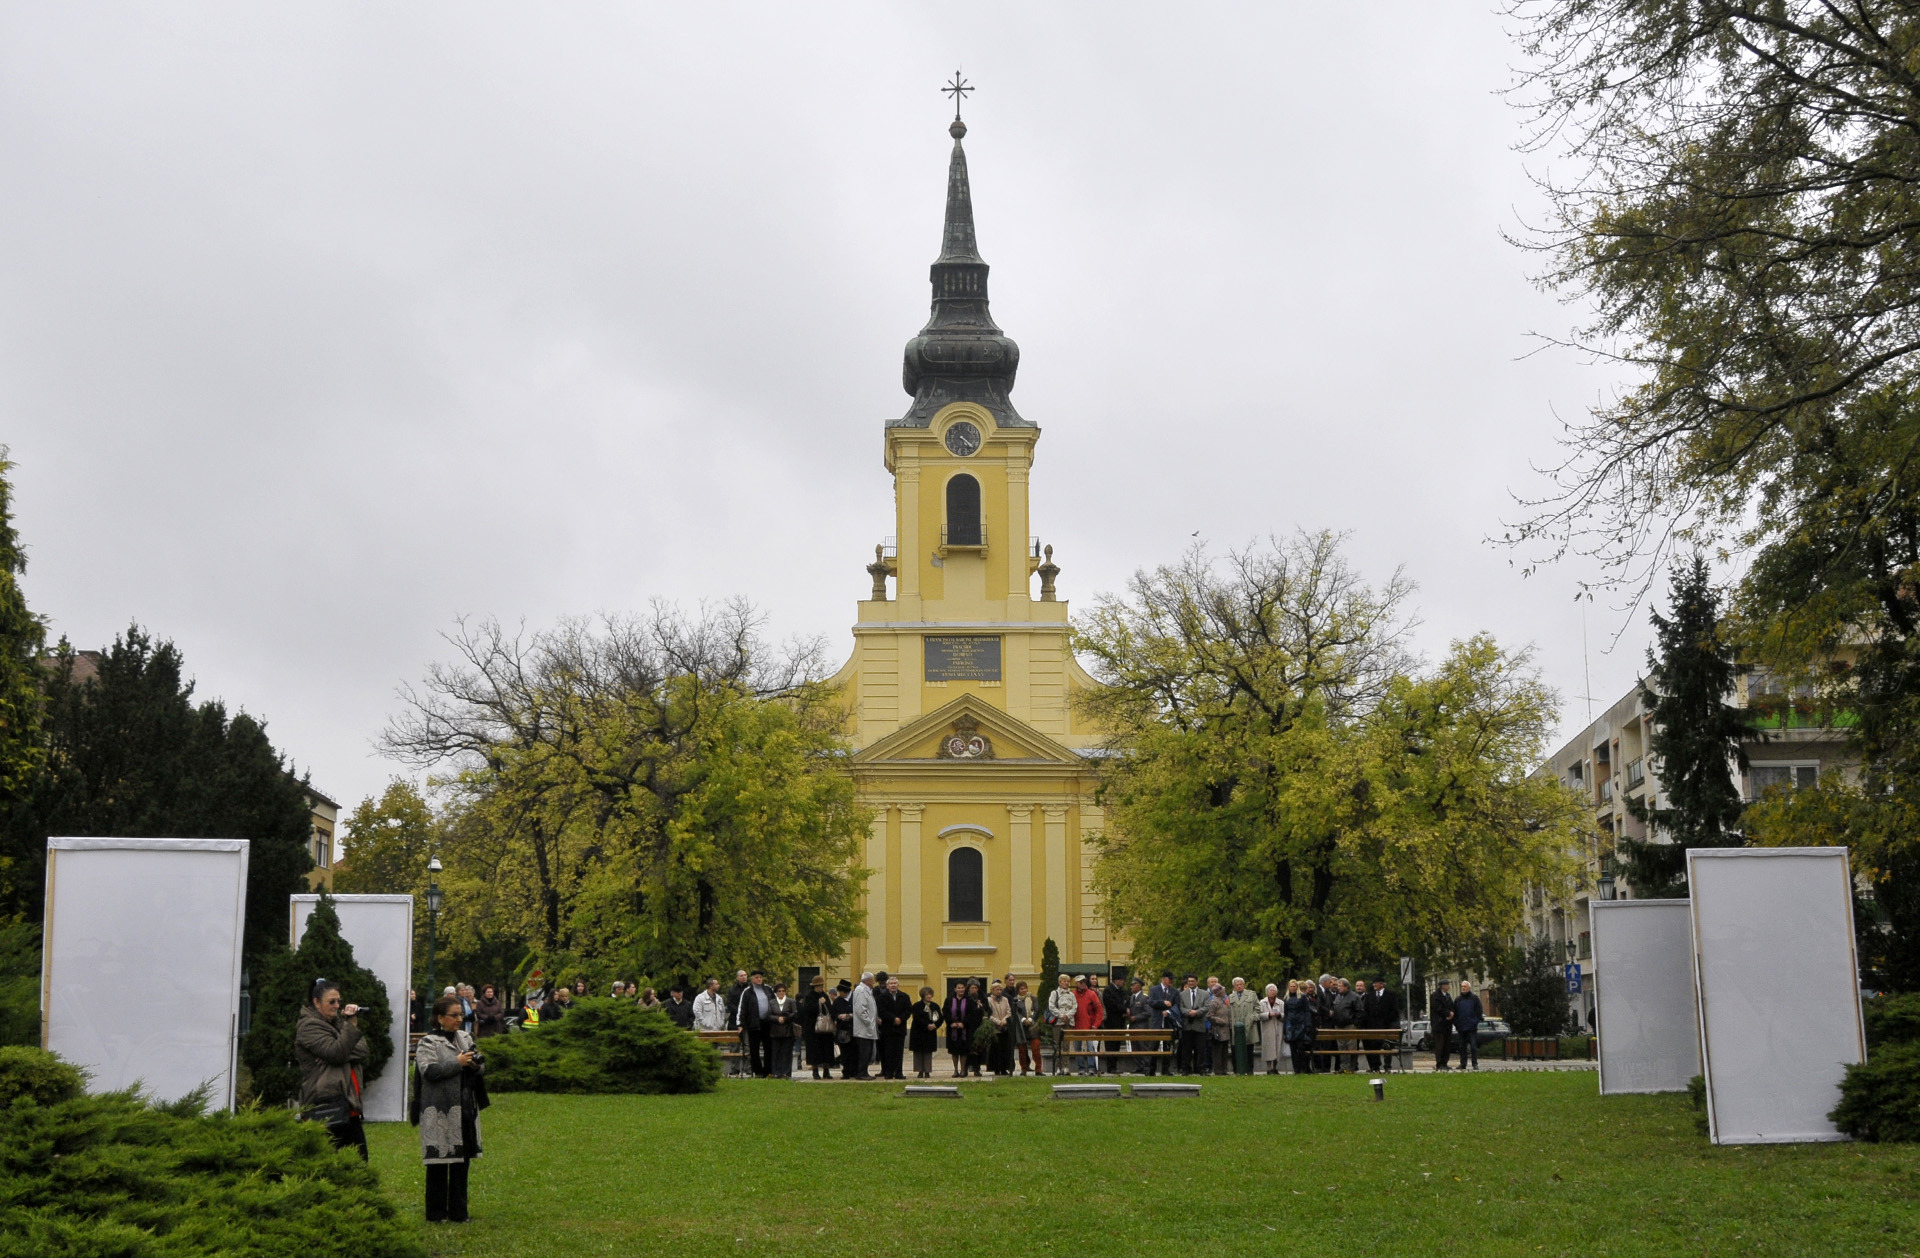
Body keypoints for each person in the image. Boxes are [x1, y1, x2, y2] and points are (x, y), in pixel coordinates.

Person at [415, 994, 486, 1224]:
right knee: (438, 1162)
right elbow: (429, 1071)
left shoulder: (465, 1037)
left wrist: (475, 1065)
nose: (459, 1019)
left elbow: (481, 1068)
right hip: (439, 1109)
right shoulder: (428, 1042)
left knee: (461, 1162)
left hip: (464, 1107)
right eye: (453, 1015)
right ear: (439, 1018)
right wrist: (458, 1062)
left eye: (460, 1015)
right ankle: (436, 1213)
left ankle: (459, 1212)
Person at [296, 978, 369, 1160]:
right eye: (331, 1002)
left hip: (348, 1105)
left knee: (358, 1163)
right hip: (326, 1106)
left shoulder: (336, 1024)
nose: (337, 1006)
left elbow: (362, 1051)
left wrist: (341, 1046)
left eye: (338, 1001)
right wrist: (349, 1030)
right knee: (329, 1164)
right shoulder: (308, 1026)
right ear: (316, 1002)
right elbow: (336, 1053)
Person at [877, 976, 912, 1080]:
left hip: (900, 1029)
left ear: (898, 985)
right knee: (888, 1052)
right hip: (888, 1028)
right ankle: (888, 1073)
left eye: (895, 983)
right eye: (891, 984)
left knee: (899, 1052)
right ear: (887, 986)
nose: (893, 985)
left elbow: (908, 1010)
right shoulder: (882, 997)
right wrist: (893, 1018)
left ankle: (898, 1072)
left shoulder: (904, 996)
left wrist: (901, 1018)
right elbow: (881, 1011)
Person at [801, 975, 835, 1079]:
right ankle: (815, 1071)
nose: (821, 988)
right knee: (814, 1051)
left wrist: (825, 1004)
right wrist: (818, 1003)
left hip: (826, 1029)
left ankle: (826, 1070)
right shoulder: (809, 996)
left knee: (826, 1049)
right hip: (813, 1029)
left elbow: (829, 1009)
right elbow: (807, 1010)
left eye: (821, 986)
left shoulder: (824, 995)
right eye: (819, 986)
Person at [1363, 979, 1401, 1072]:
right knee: (1374, 1046)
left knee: (1387, 1046)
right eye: (1373, 983)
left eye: (1376, 983)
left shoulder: (1391, 995)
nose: (1374, 985)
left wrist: (1387, 1019)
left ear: (1382, 984)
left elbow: (1395, 1010)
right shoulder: (1369, 996)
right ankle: (1375, 1067)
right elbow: (1366, 1010)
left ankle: (1387, 1066)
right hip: (1373, 1026)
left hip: (1386, 1025)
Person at [740, 970, 771, 1078]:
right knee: (754, 1049)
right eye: (757, 977)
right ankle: (758, 1071)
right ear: (752, 979)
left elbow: (773, 1002)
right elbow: (742, 1008)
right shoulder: (747, 991)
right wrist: (741, 1024)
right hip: (754, 1024)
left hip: (767, 1023)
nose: (759, 979)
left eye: (760, 977)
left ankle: (768, 1071)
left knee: (768, 1047)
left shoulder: (768, 989)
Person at [1144, 972, 1176, 1076]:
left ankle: (1165, 1070)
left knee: (1167, 1046)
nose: (1171, 981)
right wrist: (1162, 1003)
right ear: (1163, 979)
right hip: (1156, 1022)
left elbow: (1176, 1005)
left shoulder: (1174, 991)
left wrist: (1169, 1012)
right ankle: (1151, 1070)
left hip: (1168, 1022)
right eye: (1169, 979)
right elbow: (1151, 1002)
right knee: (1154, 1046)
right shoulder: (1154, 989)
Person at [1044, 974, 1077, 1075]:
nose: (1066, 983)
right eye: (1064, 981)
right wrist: (1061, 1015)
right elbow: (1051, 1006)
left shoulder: (1071, 995)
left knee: (1066, 1045)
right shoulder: (1054, 993)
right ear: (1060, 982)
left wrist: (1068, 1015)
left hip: (1068, 1021)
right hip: (1058, 1022)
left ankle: (1066, 1066)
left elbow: (1075, 1007)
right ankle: (1058, 1067)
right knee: (1057, 1044)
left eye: (1068, 981)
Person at [908, 986, 944, 1078]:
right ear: (923, 995)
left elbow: (940, 1018)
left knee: (928, 1052)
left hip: (930, 1033)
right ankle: (920, 1071)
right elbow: (917, 1018)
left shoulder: (935, 1006)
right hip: (918, 1032)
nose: (929, 996)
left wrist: (935, 1025)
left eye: (930, 994)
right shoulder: (917, 1006)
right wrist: (926, 1025)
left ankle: (927, 1071)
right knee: (918, 1052)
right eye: (927, 994)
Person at [765, 981, 799, 1078]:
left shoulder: (791, 1001)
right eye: (779, 991)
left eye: (783, 991)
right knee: (776, 1053)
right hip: (775, 1031)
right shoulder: (771, 1002)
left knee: (786, 1052)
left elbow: (795, 1013)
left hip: (788, 1031)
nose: (781, 993)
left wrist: (785, 1018)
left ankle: (786, 1072)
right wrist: (777, 1019)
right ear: (776, 992)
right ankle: (776, 1072)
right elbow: (768, 1015)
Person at [849, 972, 879, 1080]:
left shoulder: (866, 990)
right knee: (864, 1052)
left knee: (868, 1052)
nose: (874, 982)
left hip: (868, 1028)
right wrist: (868, 1022)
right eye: (872, 980)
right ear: (868, 980)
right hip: (864, 1028)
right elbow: (860, 1009)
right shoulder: (861, 990)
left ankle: (864, 1072)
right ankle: (861, 1073)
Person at [1227, 977, 1260, 1075]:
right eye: (1237, 985)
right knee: (1235, 1049)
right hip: (1236, 1026)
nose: (1239, 986)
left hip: (1249, 1025)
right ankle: (1237, 1070)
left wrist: (1253, 1017)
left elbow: (1258, 1008)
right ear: (1234, 986)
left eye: (1240, 984)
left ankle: (1250, 1070)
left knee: (1249, 1049)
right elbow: (1228, 1012)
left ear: (1244, 985)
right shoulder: (1230, 997)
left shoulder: (1252, 994)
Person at [1176, 975, 1208, 1076]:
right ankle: (1186, 1069)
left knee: (1201, 1049)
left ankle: (1201, 1069)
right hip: (1187, 1025)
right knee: (1186, 1049)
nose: (1191, 983)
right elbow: (1180, 1007)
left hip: (1199, 1024)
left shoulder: (1204, 994)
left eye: (1193, 981)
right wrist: (1189, 1012)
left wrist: (1197, 1012)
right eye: (1189, 981)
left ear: (1197, 982)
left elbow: (1207, 1007)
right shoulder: (1182, 994)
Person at [1073, 976, 1105, 1076]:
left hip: (1090, 1026)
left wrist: (1096, 1024)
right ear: (1076, 984)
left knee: (1091, 1047)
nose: (1082, 984)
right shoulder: (1073, 995)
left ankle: (1091, 1068)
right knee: (1077, 1048)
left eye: (1084, 982)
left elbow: (1099, 1010)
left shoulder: (1091, 994)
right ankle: (1081, 1068)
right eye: (1080, 982)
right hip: (1076, 1026)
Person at [946, 982, 979, 1077]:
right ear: (955, 989)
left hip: (965, 1029)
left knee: (964, 1051)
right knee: (954, 1051)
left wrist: (963, 1023)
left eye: (962, 988)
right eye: (959, 988)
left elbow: (972, 1014)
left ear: (965, 989)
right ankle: (955, 1070)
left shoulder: (969, 1000)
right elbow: (945, 1012)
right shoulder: (949, 999)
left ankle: (963, 1070)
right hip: (953, 1029)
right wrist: (951, 1023)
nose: (961, 989)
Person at [1285, 980, 1317, 1074]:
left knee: (1301, 1047)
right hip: (1290, 1026)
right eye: (1291, 986)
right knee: (1293, 1048)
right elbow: (1286, 1013)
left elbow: (1307, 1011)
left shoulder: (1302, 997)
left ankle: (1303, 1068)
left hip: (1300, 1024)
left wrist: (1307, 1024)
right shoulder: (1286, 998)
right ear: (1289, 987)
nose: (1292, 988)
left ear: (1297, 987)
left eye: (1294, 986)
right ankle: (1296, 1069)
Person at [1101, 975, 1130, 1074]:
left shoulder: (1121, 991)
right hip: (1111, 1023)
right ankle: (1110, 1067)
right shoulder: (1108, 990)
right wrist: (1124, 1009)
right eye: (1122, 980)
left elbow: (1126, 1001)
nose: (1123, 982)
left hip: (1120, 1022)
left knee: (1117, 1044)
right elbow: (1112, 1005)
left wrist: (1125, 1009)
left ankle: (1115, 1066)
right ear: (1116, 980)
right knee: (1111, 1044)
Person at [1256, 983, 1287, 1074]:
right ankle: (1269, 1068)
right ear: (1267, 992)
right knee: (1268, 1048)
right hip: (1267, 1028)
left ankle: (1275, 1067)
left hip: (1278, 1027)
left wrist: (1279, 1015)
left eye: (1274, 990)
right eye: (1270, 990)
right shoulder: (1262, 1002)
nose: (1272, 992)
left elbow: (1285, 1015)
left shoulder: (1281, 1003)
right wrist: (1268, 1014)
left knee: (1277, 1048)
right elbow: (1259, 1015)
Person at [987, 981, 1017, 1077]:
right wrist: (998, 1022)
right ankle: (996, 1069)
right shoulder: (988, 1000)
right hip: (995, 1028)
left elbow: (1009, 1012)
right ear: (992, 990)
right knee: (996, 1050)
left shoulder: (1005, 999)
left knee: (1005, 1049)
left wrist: (1004, 1021)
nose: (999, 991)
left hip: (1005, 1027)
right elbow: (988, 1015)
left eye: (1000, 989)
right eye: (997, 990)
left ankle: (1004, 1068)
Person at [1011, 980, 1040, 1076]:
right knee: (1022, 1050)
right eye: (1021, 989)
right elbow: (1015, 1012)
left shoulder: (1032, 998)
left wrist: (1030, 1019)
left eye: (1025, 988)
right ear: (1018, 990)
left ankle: (1038, 1069)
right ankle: (1024, 1069)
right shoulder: (1015, 1000)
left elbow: (1037, 1010)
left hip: (1033, 1026)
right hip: (1021, 1027)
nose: (1024, 990)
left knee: (1036, 1049)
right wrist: (1023, 1020)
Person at [1454, 980, 1484, 1071]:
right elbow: (1455, 1013)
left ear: (1469, 988)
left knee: (1473, 1047)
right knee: (1462, 1047)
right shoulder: (1458, 1000)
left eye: (1465, 986)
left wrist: (1475, 1021)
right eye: (1462, 986)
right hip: (1461, 1027)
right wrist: (1457, 1024)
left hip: (1472, 1027)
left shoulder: (1474, 999)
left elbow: (1479, 1011)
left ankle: (1475, 1064)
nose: (1463, 988)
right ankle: (1463, 1064)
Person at [1205, 979, 1232, 1076]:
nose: (1224, 991)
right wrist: (1219, 1020)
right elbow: (1209, 1015)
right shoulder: (1213, 1002)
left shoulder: (1223, 1001)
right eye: (1223, 990)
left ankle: (1224, 1069)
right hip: (1217, 1030)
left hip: (1225, 1029)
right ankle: (1218, 1070)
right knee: (1217, 1051)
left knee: (1224, 1051)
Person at [1126, 977, 1152, 1075]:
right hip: (1133, 1027)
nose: (1131, 987)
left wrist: (1136, 1017)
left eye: (1133, 985)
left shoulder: (1144, 998)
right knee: (1135, 1047)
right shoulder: (1131, 998)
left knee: (1143, 1047)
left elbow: (1148, 1012)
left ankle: (1146, 1067)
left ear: (1139, 986)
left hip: (1141, 1026)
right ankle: (1139, 1066)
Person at [832, 980, 857, 1079]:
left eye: (840, 992)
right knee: (844, 1053)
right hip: (843, 1031)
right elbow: (833, 1014)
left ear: (845, 991)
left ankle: (854, 1071)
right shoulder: (837, 1001)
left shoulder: (855, 998)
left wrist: (851, 1015)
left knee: (855, 1052)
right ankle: (846, 1072)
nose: (839, 994)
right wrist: (839, 1016)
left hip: (855, 1029)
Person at [1428, 981, 1454, 1071]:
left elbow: (1451, 1006)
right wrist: (1448, 1013)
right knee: (1440, 1045)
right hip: (1439, 1024)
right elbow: (1438, 1008)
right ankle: (1439, 1063)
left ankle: (1445, 1062)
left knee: (1447, 1045)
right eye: (1447, 985)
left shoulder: (1448, 996)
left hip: (1447, 1024)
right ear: (1443, 986)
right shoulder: (1435, 996)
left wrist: (1452, 1013)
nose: (1448, 986)